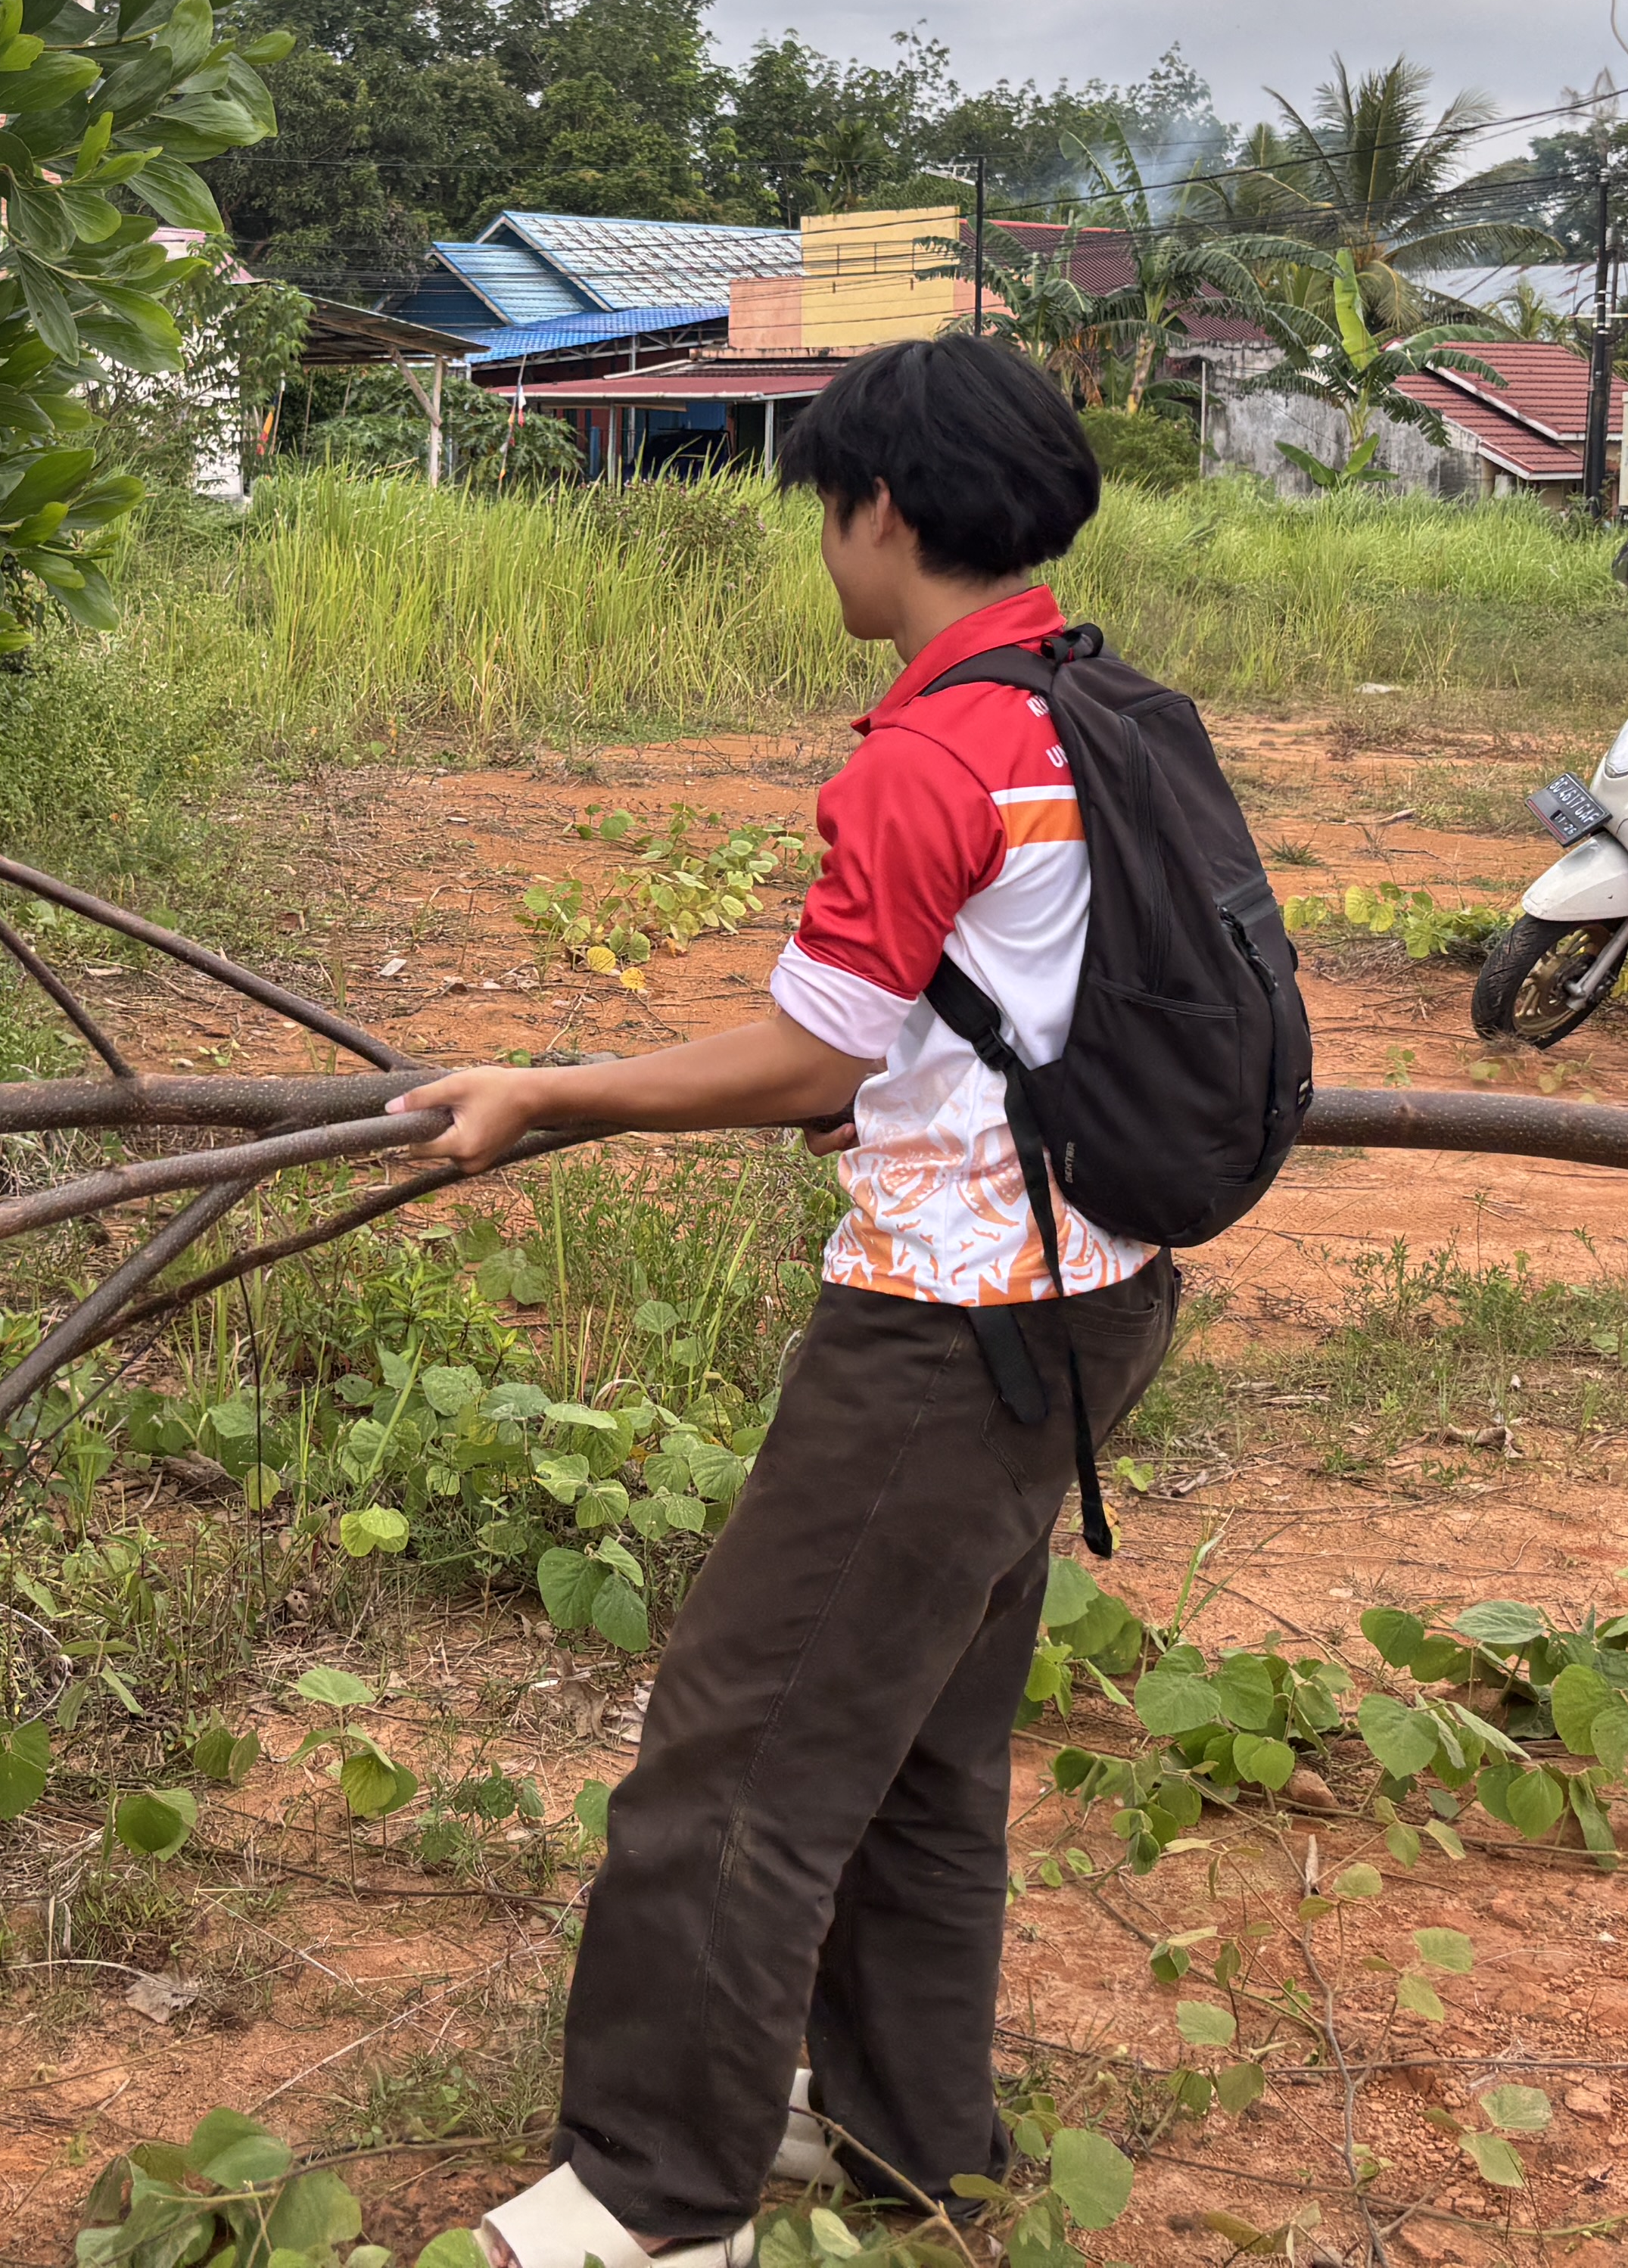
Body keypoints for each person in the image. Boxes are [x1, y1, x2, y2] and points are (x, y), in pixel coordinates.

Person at [416, 333, 1186, 2268]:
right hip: (1092, 1297)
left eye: (822, 507)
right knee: (921, 1755)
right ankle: (913, 2145)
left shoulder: (934, 754)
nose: (820, 546)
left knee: (737, 1761)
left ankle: (655, 2199)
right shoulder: (1098, 705)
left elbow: (810, 1058)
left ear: (889, 511)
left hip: (944, 1333)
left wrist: (545, 1089)